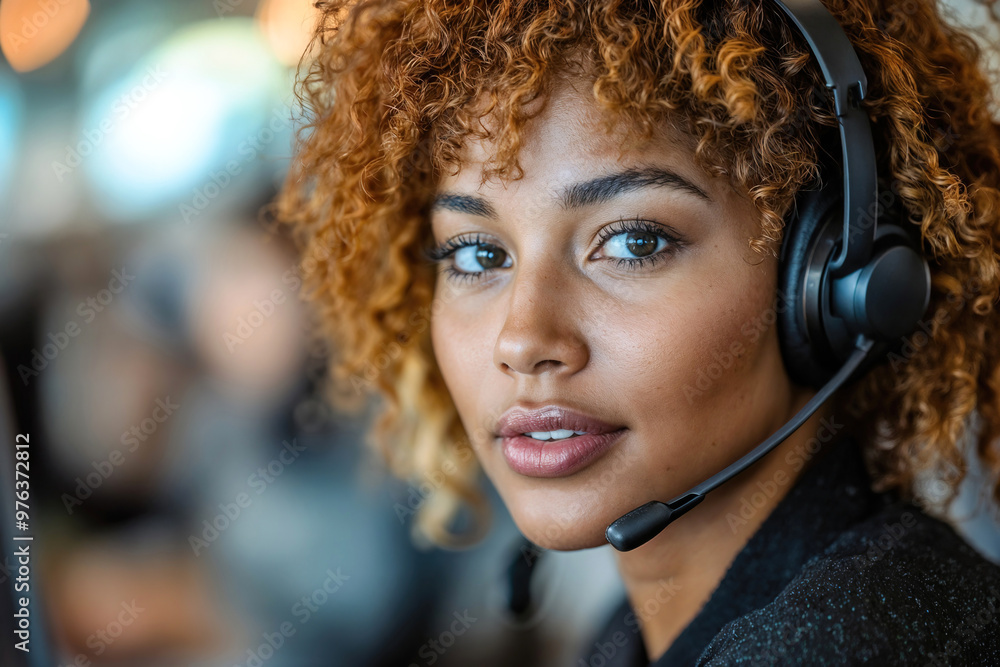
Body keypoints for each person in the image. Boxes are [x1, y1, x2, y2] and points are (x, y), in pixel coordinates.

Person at [271, 0, 1000, 663]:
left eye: (633, 243)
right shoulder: (634, 634)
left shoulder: (851, 643)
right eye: (477, 254)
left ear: (834, 283)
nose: (522, 340)